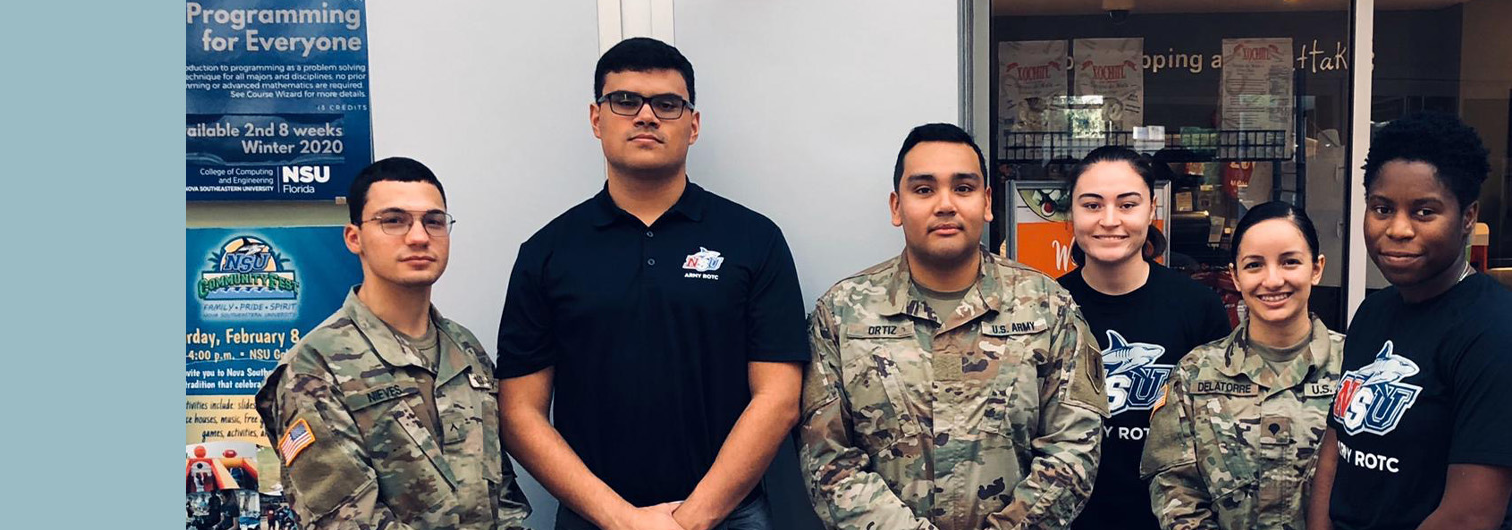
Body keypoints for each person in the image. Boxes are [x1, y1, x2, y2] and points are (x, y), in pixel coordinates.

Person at [496, 37, 808, 530]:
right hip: (593, 518)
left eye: (667, 104)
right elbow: (519, 413)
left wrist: (692, 519)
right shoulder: (548, 252)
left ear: (693, 124)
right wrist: (620, 519)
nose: (646, 116)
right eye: (625, 101)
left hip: (730, 516)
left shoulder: (754, 239)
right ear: (597, 120)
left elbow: (778, 398)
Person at [799, 123, 1105, 529]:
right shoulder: (841, 314)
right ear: (896, 206)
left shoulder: (1048, 307)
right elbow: (828, 459)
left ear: (987, 202)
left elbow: (1075, 447)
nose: (945, 204)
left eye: (963, 188)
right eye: (924, 189)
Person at [255, 157, 531, 529]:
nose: (418, 236)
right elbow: (345, 521)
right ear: (355, 238)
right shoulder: (315, 367)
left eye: (433, 221)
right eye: (394, 220)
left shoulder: (465, 350)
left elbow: (503, 496)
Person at [1307, 112, 1512, 530]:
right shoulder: (1374, 312)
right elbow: (1337, 444)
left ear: (1468, 216)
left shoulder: (1493, 332)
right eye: (1382, 208)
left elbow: (1471, 516)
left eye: (1424, 212)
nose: (1397, 229)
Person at [1055, 146, 1232, 530]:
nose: (1109, 220)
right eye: (1091, 205)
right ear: (1072, 214)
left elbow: (1217, 437)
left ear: (1151, 209)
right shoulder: (1046, 307)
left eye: (1127, 204)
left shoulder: (1198, 307)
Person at [1141, 201, 1344, 529]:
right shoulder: (1195, 373)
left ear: (1317, 268)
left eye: (1290, 262)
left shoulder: (1356, 369)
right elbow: (1175, 490)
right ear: (1235, 276)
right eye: (1254, 265)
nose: (1273, 280)